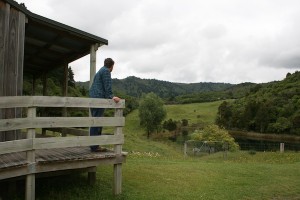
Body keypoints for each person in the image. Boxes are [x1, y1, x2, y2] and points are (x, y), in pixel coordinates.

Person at [89, 58, 121, 152]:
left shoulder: (100, 70)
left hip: (93, 98)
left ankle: (93, 145)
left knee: (94, 122)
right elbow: (107, 86)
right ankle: (95, 146)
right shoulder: (106, 71)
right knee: (97, 123)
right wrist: (112, 96)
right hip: (99, 99)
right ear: (111, 66)